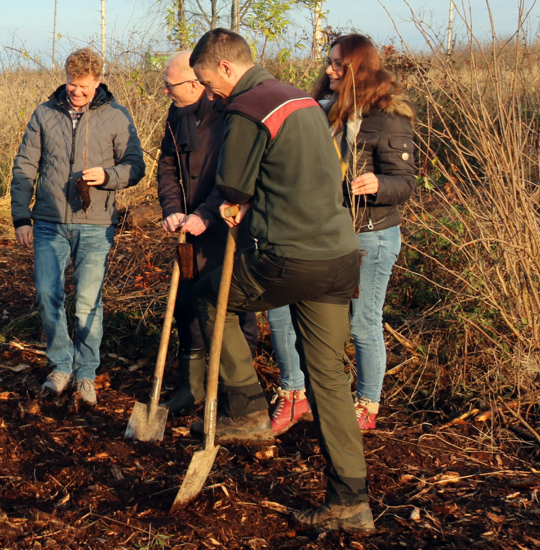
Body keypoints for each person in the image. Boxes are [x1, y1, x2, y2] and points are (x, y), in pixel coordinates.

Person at [188, 29, 373, 532]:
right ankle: (351, 502)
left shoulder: (248, 107)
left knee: (207, 298)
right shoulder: (301, 99)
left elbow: (232, 185)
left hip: (287, 257)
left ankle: (246, 409)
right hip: (337, 256)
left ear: (226, 69)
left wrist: (233, 201)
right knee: (329, 378)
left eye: (207, 81)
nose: (208, 92)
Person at [266, 34, 416, 435]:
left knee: (362, 323)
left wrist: (378, 183)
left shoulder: (388, 116)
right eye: (329, 62)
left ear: (359, 69)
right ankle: (294, 395)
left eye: (338, 65)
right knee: (281, 310)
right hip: (319, 232)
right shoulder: (318, 111)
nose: (329, 70)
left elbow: (404, 182)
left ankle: (367, 404)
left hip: (370, 235)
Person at [10, 47, 145, 405]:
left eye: (84, 86)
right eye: (72, 85)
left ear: (98, 81)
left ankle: (86, 373)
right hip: (48, 223)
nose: (77, 92)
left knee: (87, 302)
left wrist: (108, 176)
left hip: (95, 223)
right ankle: (60, 364)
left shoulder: (117, 116)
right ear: (65, 78)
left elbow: (135, 165)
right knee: (47, 295)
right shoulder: (44, 113)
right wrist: (21, 216)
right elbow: (25, 166)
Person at [155, 51, 258, 415]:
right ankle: (191, 388)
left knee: (231, 308)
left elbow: (235, 177)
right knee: (186, 306)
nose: (166, 91)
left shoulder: (230, 113)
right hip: (188, 232)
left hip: (226, 229)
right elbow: (166, 167)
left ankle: (237, 396)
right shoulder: (175, 117)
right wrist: (172, 210)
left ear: (195, 83)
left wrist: (205, 213)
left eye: (171, 84)